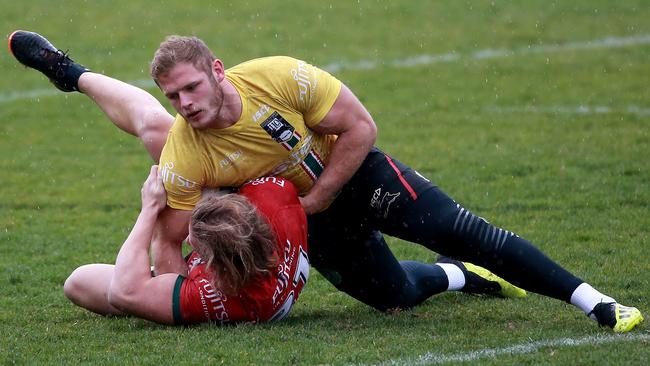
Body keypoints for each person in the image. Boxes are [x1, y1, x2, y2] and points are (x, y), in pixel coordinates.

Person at [8, 30, 643, 332]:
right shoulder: (185, 143)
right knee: (394, 297)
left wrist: (317, 197)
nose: (187, 103)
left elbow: (360, 127)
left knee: (466, 229)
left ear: (220, 71)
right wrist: (186, 298)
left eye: (194, 88)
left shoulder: (280, 78)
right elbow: (168, 240)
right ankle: (459, 275)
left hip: (347, 179)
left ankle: (598, 304)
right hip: (306, 218)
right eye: (176, 94)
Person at [64, 168, 310, 325]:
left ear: (216, 265)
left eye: (198, 245)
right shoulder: (275, 197)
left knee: (78, 282)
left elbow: (122, 293)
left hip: (220, 287)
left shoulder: (220, 295)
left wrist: (149, 208)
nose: (189, 241)